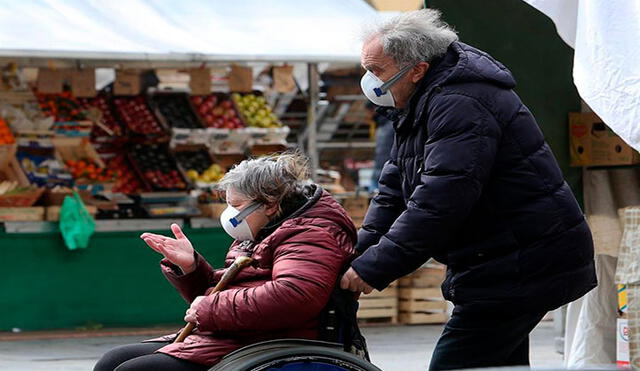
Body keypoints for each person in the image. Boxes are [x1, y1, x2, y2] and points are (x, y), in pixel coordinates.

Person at [340, 9, 597, 370]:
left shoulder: (460, 103)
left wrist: (373, 268)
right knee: (498, 365)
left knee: (455, 364)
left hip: (521, 263)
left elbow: (439, 201)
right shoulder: (419, 102)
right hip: (497, 261)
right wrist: (357, 254)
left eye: (377, 70)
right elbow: (393, 190)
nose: (369, 81)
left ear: (417, 69)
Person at [95, 153, 358, 371]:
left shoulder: (311, 233)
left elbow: (294, 296)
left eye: (237, 204)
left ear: (268, 204)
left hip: (276, 338)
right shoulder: (264, 228)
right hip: (240, 333)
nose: (230, 214)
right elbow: (233, 291)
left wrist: (209, 307)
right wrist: (191, 267)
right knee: (113, 361)